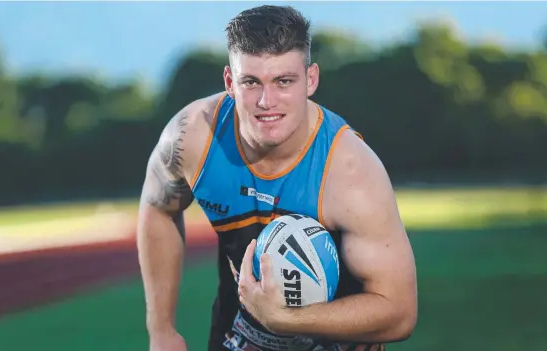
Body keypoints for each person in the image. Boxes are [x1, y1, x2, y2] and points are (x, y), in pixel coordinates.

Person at [137, 5, 417, 351]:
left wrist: (284, 319)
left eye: (284, 81)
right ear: (229, 83)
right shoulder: (195, 137)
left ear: (310, 79)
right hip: (237, 340)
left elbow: (399, 312)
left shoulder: (350, 172)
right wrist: (161, 329)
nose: (267, 101)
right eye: (251, 82)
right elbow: (158, 208)